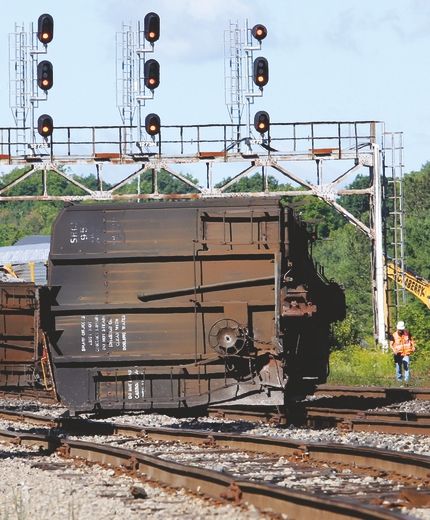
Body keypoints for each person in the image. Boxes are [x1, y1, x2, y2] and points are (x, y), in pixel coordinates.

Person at [389, 321, 416, 385]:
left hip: (406, 353)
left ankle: (406, 382)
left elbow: (411, 340)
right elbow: (391, 345)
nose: (400, 331)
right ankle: (399, 382)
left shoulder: (407, 333)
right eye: (399, 330)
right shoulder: (394, 335)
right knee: (398, 368)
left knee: (406, 367)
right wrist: (394, 350)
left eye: (402, 330)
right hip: (398, 354)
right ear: (397, 329)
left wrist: (413, 346)